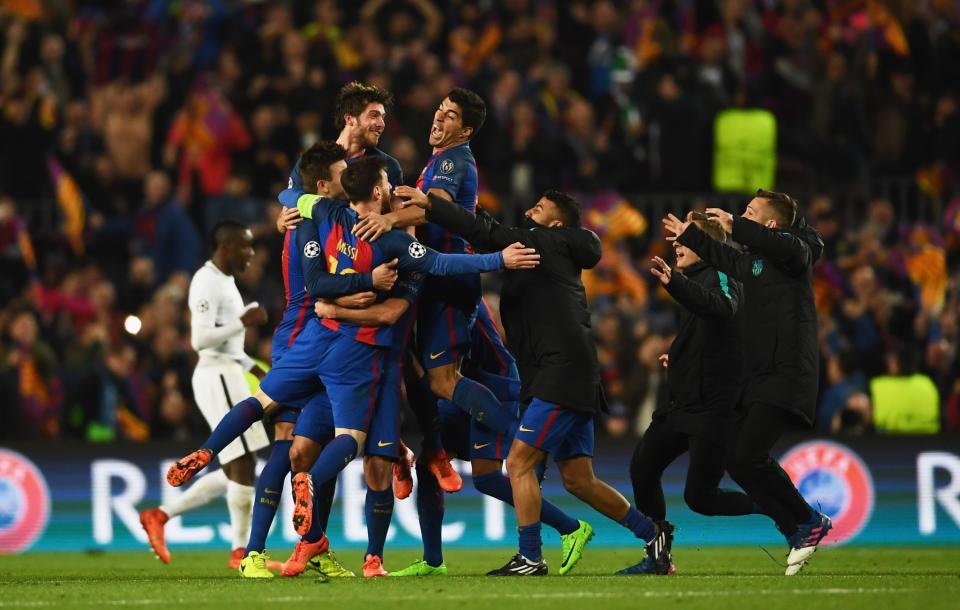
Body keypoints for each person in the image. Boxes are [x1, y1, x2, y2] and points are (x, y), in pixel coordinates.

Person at [163, 157, 537, 543]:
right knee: (351, 437)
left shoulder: (328, 211)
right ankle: (311, 480)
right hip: (354, 349)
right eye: (388, 187)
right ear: (377, 192)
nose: (393, 191)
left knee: (260, 402)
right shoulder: (393, 242)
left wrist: (287, 210)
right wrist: (498, 259)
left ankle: (206, 451)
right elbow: (443, 263)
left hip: (315, 335)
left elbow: (289, 193)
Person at [395, 186, 673, 576]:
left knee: (519, 462)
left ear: (555, 223)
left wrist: (430, 205)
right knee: (579, 480)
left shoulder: (540, 243)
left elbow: (483, 230)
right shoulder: (553, 250)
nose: (528, 211)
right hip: (570, 374)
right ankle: (653, 535)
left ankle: (530, 557)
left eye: (538, 209)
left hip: (560, 374)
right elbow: (585, 245)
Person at [239, 140, 396, 579]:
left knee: (320, 444)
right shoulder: (313, 218)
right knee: (291, 446)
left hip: (333, 340)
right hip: (305, 334)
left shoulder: (331, 216)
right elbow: (316, 285)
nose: (351, 176)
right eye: (343, 171)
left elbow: (291, 193)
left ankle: (314, 544)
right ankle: (253, 551)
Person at [662, 189, 830, 576]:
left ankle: (806, 521)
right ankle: (799, 526)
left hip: (788, 372)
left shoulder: (794, 253)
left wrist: (735, 225)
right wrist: (691, 235)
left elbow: (786, 246)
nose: (739, 215)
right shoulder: (757, 264)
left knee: (745, 456)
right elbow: (727, 259)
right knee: (740, 461)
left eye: (750, 213)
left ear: (770, 225)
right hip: (759, 376)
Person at [623, 215, 763, 575]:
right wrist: (682, 356)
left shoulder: (720, 274)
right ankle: (658, 556)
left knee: (701, 498)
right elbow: (710, 333)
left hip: (714, 406)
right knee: (643, 466)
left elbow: (723, 309)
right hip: (685, 402)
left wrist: (675, 284)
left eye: (686, 238)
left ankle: (776, 504)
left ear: (707, 246)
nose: (676, 244)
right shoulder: (697, 280)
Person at [140, 222, 270, 570]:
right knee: (241, 463)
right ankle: (241, 555)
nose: (251, 253)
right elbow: (199, 340)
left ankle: (160, 515)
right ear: (226, 247)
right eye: (245, 247)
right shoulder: (206, 280)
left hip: (231, 371)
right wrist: (244, 320)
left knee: (237, 467)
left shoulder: (225, 281)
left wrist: (252, 366)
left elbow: (225, 343)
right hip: (216, 377)